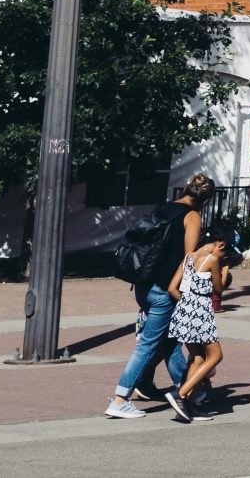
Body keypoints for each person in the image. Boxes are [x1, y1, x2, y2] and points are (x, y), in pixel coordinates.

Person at [104, 172, 210, 418]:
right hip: (165, 290)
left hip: (143, 285)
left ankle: (187, 393)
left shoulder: (163, 208)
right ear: (206, 202)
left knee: (169, 344)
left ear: (185, 189)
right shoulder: (191, 216)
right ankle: (120, 399)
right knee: (149, 345)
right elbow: (189, 258)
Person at [161, 222, 239, 423]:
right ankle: (181, 394)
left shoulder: (188, 257)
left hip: (184, 310)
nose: (225, 255)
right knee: (215, 356)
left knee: (197, 357)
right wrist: (225, 267)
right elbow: (219, 289)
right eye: (226, 250)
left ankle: (188, 404)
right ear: (220, 243)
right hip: (201, 311)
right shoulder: (213, 259)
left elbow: (172, 288)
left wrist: (187, 304)